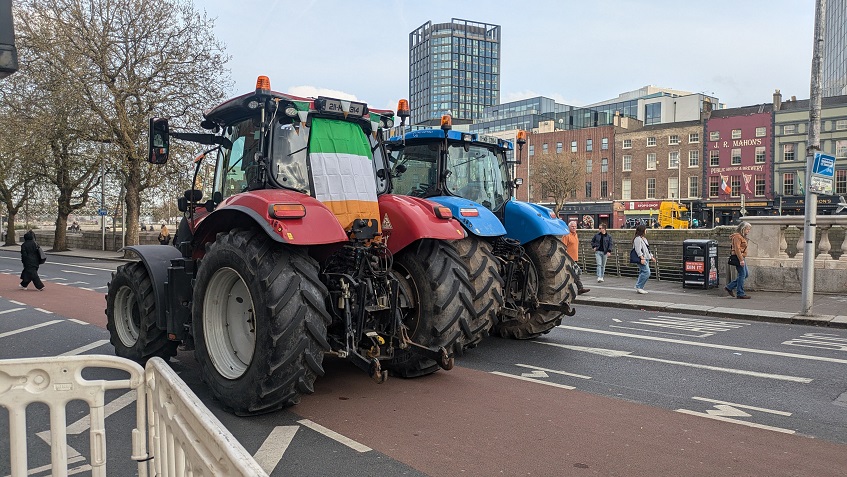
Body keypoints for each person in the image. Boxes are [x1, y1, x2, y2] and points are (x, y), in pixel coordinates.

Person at [725, 221, 752, 299]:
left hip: (742, 257)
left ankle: (730, 287)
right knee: (742, 274)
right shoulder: (737, 237)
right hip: (738, 257)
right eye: (747, 229)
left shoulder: (742, 237)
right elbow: (737, 249)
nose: (748, 231)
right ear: (743, 229)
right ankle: (740, 293)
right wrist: (741, 260)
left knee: (745, 274)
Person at [562, 220, 589, 295]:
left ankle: (577, 289)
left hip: (575, 258)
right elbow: (563, 247)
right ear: (569, 227)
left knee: (573, 274)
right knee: (574, 274)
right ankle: (580, 288)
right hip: (569, 259)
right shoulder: (566, 235)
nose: (574, 228)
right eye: (572, 226)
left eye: (575, 226)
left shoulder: (575, 235)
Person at [632, 224, 654, 294]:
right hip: (642, 258)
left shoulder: (644, 239)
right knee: (647, 272)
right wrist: (641, 258)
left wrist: (651, 257)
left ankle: (639, 287)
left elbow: (647, 249)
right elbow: (638, 250)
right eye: (645, 229)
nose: (646, 231)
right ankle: (639, 286)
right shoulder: (637, 239)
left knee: (643, 272)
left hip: (646, 257)